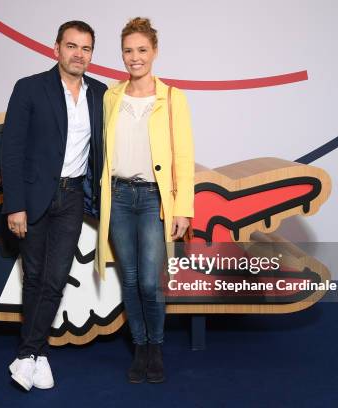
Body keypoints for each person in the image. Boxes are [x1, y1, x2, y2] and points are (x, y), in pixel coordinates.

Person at [0, 20, 107, 391]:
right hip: (33, 198)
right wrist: (15, 206)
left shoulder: (100, 94)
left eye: (86, 48)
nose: (79, 54)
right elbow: (11, 152)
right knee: (34, 277)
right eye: (72, 46)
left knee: (56, 277)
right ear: (56, 48)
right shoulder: (30, 88)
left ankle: (29, 353)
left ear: (92, 54)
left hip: (73, 196)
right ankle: (36, 352)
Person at [94, 17, 194, 384]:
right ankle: (140, 347)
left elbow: (183, 155)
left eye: (141, 50)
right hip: (118, 196)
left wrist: (183, 207)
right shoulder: (111, 96)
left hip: (154, 198)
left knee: (151, 282)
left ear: (154, 52)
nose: (134, 57)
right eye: (128, 50)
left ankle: (156, 347)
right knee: (130, 278)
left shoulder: (172, 98)